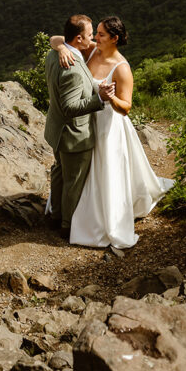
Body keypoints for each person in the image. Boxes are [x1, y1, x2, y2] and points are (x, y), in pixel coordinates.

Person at [51, 15, 173, 249]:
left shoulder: (122, 68)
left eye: (101, 34)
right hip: (86, 118)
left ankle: (103, 217)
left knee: (106, 170)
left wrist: (110, 97)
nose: (95, 38)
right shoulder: (94, 50)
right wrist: (61, 49)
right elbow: (57, 38)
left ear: (114, 39)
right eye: (95, 33)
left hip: (109, 123)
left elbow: (126, 108)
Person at [44, 14, 115, 236]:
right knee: (72, 181)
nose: (92, 38)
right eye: (89, 35)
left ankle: (55, 216)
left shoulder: (53, 54)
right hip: (73, 134)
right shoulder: (72, 67)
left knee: (59, 173)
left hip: (56, 130)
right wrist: (100, 99)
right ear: (78, 39)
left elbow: (56, 40)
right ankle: (67, 226)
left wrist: (60, 46)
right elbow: (70, 107)